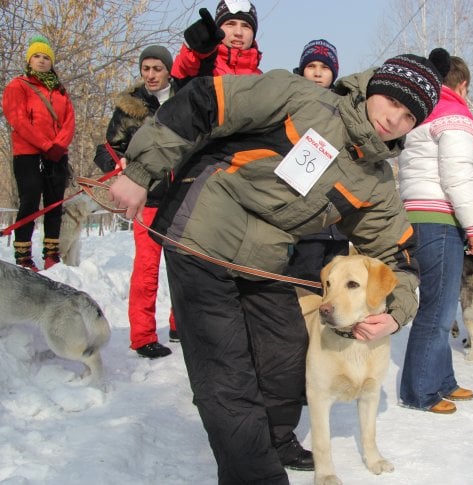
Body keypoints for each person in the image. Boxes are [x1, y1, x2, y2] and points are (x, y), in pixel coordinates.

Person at [107, 51, 445, 483]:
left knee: (286, 356)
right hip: (202, 233)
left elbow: (400, 257)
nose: (395, 119)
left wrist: (394, 316)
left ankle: (274, 436)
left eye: (409, 116)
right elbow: (204, 101)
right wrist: (141, 170)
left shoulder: (374, 180)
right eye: (393, 102)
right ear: (375, 87)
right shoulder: (300, 97)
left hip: (264, 261)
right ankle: (254, 472)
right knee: (227, 373)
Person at [397, 51, 473, 414]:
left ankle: (442, 378)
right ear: (461, 85)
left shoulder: (423, 114)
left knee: (441, 303)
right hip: (440, 217)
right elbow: (458, 177)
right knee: (438, 307)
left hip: (420, 214)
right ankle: (420, 390)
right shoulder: (454, 115)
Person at [93, 46, 179, 358]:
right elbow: (106, 149)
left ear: (169, 70)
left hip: (183, 196)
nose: (152, 75)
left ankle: (178, 323)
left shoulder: (184, 99)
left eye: (157, 68)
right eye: (146, 69)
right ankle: (142, 335)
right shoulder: (129, 109)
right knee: (147, 269)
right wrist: (117, 164)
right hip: (149, 198)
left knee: (182, 266)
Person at [2, 35, 75, 271]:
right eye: (37, 56)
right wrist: (46, 145)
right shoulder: (18, 86)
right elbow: (18, 121)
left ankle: (51, 254)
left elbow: (69, 122)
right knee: (30, 201)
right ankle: (23, 254)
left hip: (56, 155)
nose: (42, 61)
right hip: (28, 154)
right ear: (29, 60)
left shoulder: (60, 91)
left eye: (46, 57)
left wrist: (59, 146)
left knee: (54, 204)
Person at [286, 39, 349, 288]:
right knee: (303, 285)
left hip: (337, 219)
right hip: (304, 219)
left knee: (336, 285)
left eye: (324, 66)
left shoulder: (344, 108)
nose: (317, 72)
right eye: (311, 65)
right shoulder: (292, 102)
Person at [172, 0, 262, 89]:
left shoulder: (263, 80)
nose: (238, 32)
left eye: (246, 26)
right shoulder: (204, 65)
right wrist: (193, 50)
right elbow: (184, 73)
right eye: (230, 24)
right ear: (218, 29)